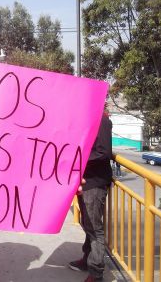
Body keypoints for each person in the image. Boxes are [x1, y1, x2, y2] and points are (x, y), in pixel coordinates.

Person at [68, 113, 113, 282]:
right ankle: (87, 259)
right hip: (84, 181)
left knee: (94, 229)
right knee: (88, 225)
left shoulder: (101, 120)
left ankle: (96, 273)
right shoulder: (85, 118)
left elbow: (103, 152)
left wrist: (77, 159)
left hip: (94, 182)